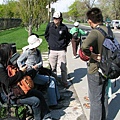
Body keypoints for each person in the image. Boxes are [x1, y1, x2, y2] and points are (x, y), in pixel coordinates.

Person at [0, 43, 52, 120]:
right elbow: (7, 82)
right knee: (36, 101)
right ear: (6, 53)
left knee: (39, 94)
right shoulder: (1, 68)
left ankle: (47, 116)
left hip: (18, 90)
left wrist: (24, 71)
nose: (12, 52)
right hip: (10, 96)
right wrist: (21, 72)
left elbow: (15, 74)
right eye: (10, 51)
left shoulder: (7, 62)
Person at [81, 7, 112, 120]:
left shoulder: (95, 32)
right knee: (104, 97)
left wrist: (92, 55)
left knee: (95, 100)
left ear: (90, 20)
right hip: (107, 68)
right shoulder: (108, 30)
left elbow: (84, 46)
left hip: (95, 69)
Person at [17, 34, 63, 110]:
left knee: (53, 79)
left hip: (37, 72)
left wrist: (37, 66)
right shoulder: (27, 52)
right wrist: (24, 68)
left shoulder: (37, 52)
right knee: (50, 81)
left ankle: (57, 98)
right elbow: (19, 61)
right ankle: (53, 103)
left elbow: (41, 62)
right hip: (31, 75)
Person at [44, 11, 71, 88]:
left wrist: (64, 45)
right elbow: (46, 35)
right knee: (52, 68)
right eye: (54, 18)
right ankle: (54, 82)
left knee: (63, 67)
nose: (56, 20)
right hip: (52, 50)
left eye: (57, 19)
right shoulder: (49, 26)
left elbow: (68, 37)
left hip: (61, 50)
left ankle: (64, 82)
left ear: (60, 19)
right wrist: (50, 43)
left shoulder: (64, 27)